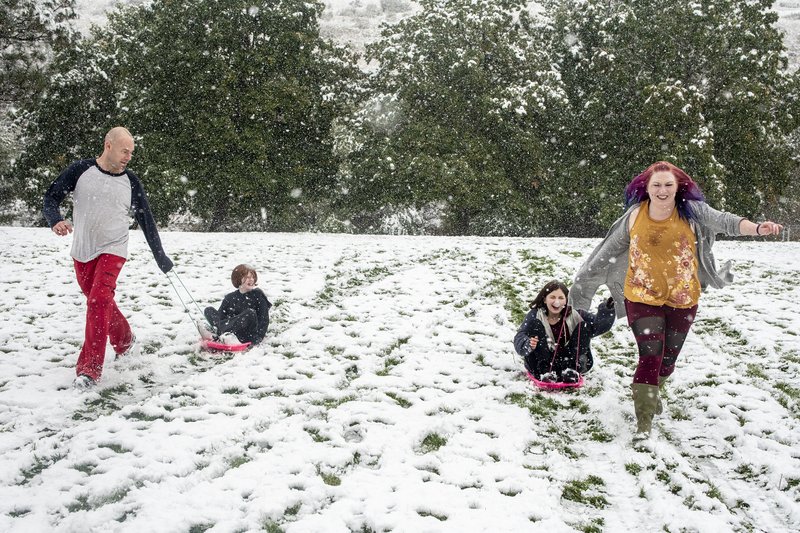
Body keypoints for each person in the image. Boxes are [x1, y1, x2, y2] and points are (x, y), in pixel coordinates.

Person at [570, 161, 783, 439]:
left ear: (677, 187)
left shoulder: (692, 212)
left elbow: (726, 221)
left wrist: (757, 228)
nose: (662, 190)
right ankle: (643, 423)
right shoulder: (635, 217)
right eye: (656, 185)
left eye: (668, 185)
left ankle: (655, 387)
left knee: (668, 359)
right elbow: (604, 255)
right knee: (650, 355)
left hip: (683, 298)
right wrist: (582, 287)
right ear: (646, 188)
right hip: (642, 296)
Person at [43, 127, 173, 390]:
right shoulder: (81, 171)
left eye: (131, 152)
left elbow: (145, 220)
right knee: (99, 302)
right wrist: (55, 219)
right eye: (125, 151)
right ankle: (125, 339)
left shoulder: (131, 182)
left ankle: (89, 369)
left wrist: (160, 256)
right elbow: (51, 197)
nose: (129, 156)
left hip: (114, 248)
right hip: (83, 249)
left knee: (99, 299)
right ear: (108, 145)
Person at [514, 280, 615, 383]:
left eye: (561, 298)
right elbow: (520, 336)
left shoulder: (575, 313)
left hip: (567, 359)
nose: (556, 301)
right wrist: (528, 344)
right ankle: (546, 372)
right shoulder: (535, 314)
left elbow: (597, 326)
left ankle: (571, 370)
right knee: (535, 325)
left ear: (567, 300)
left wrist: (607, 310)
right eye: (552, 297)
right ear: (545, 299)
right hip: (540, 362)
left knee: (584, 326)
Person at [204, 264, 272, 345]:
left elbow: (264, 320)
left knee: (250, 313)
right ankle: (221, 333)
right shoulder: (230, 297)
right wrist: (219, 323)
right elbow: (220, 317)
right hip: (230, 329)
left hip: (247, 334)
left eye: (252, 277)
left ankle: (219, 332)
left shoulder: (258, 295)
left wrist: (257, 338)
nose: (251, 280)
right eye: (247, 277)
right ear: (238, 279)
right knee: (208, 310)